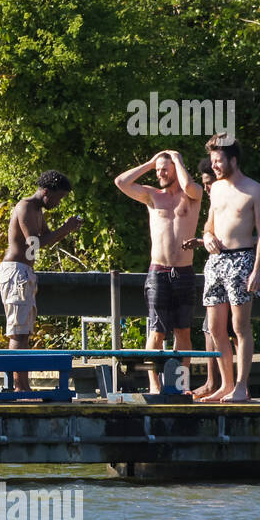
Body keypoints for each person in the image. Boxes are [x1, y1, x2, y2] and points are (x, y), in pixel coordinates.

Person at [114, 150, 202, 392]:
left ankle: (181, 385)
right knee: (156, 331)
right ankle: (155, 386)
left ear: (176, 168)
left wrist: (178, 159)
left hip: (184, 272)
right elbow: (120, 182)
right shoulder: (152, 196)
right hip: (158, 272)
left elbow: (188, 184)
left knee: (183, 332)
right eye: (158, 170)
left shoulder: (192, 195)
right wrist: (151, 163)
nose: (160, 173)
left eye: (165, 169)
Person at [197, 135, 260, 402]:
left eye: (218, 161)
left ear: (233, 160)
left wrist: (257, 270)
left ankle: (241, 386)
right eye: (213, 161)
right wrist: (206, 237)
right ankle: (226, 384)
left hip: (242, 260)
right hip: (215, 261)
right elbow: (208, 225)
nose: (214, 166)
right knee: (215, 328)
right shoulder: (215, 188)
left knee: (240, 326)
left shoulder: (255, 190)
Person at [0, 171, 82, 390]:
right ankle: (20, 389)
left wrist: (66, 230)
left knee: (24, 332)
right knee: (18, 332)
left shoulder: (38, 211)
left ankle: (23, 387)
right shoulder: (25, 207)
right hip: (15, 272)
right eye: (58, 197)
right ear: (46, 192)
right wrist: (65, 229)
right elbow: (34, 244)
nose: (58, 202)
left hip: (25, 273)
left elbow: (48, 239)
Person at [183, 159, 229, 398]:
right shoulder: (213, 201)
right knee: (209, 327)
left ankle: (238, 384)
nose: (207, 188)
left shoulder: (231, 196)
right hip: (215, 268)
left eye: (209, 183)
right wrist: (202, 240)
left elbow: (234, 238)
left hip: (233, 270)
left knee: (234, 329)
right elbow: (213, 233)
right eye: (205, 184)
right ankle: (213, 382)